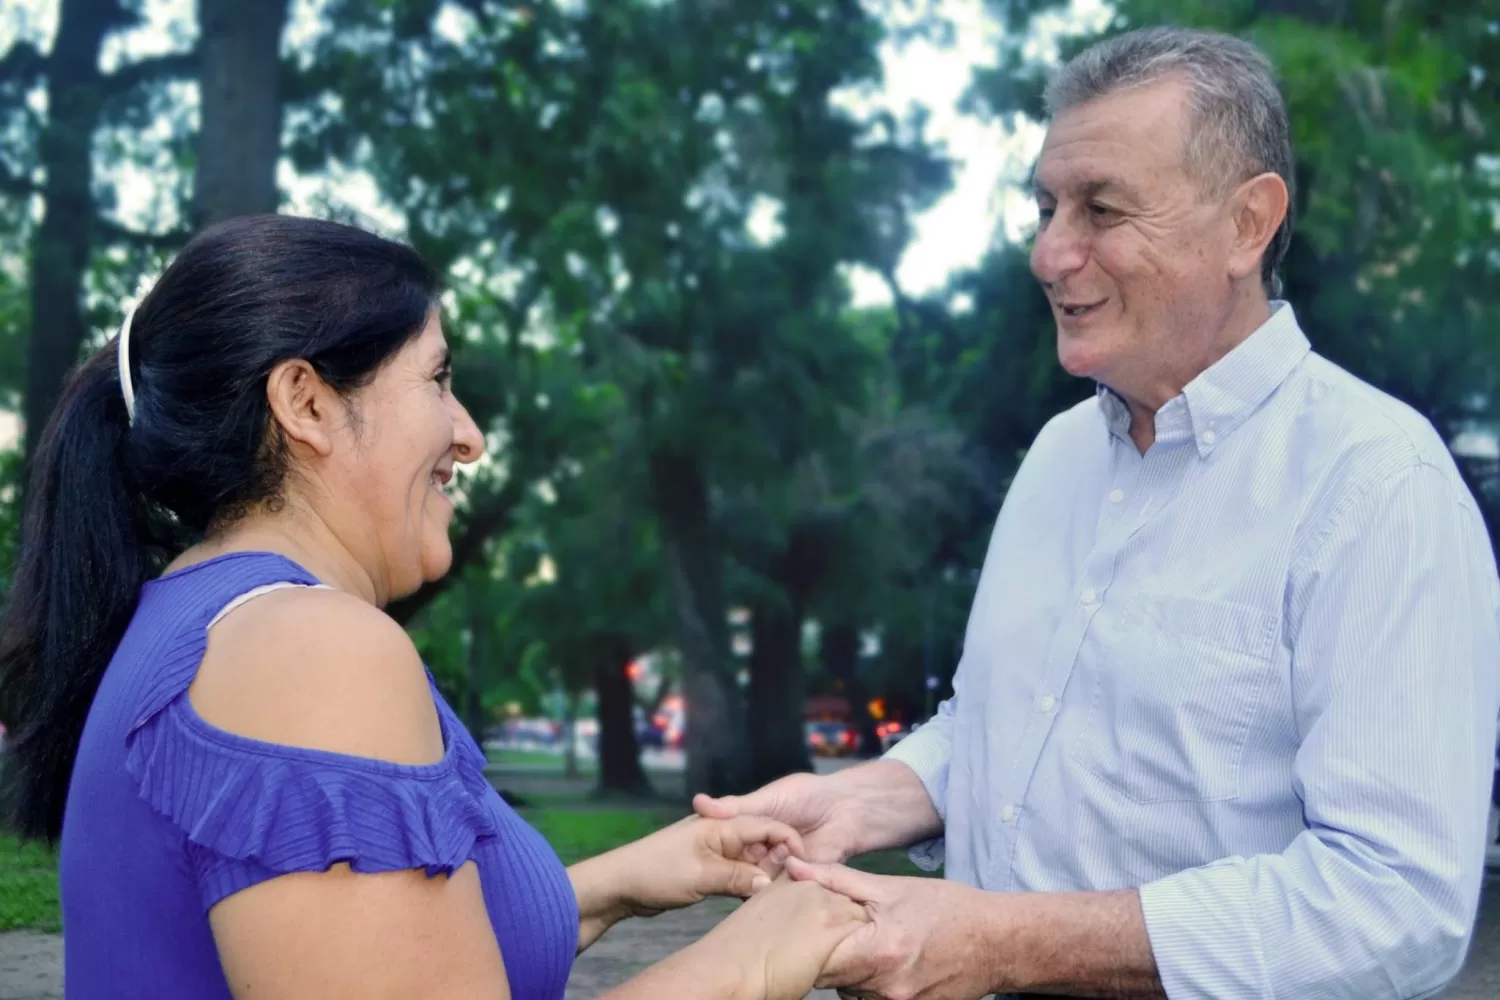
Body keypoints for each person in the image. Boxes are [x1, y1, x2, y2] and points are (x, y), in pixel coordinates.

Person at [698, 25, 1500, 1000]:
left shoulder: (1379, 486)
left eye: (1101, 208)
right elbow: (1003, 726)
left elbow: (1396, 907)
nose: (1049, 252)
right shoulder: (1058, 456)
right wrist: (857, 803)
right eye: (1044, 206)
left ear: (1250, 224)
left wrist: (1005, 941)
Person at [0, 214, 866, 1000]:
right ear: (306, 403)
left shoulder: (204, 621)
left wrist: (625, 879)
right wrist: (749, 961)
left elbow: (371, 939)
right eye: (438, 378)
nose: (470, 434)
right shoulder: (309, 653)